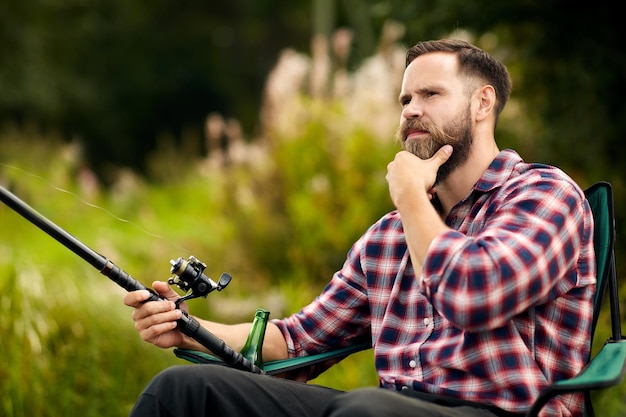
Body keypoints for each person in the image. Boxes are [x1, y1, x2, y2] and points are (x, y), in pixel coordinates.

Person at [124, 39, 596, 417]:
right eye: (405, 99)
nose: (411, 109)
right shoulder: (389, 237)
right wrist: (188, 328)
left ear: (482, 103)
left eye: (430, 95)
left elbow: (474, 295)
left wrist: (411, 195)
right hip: (381, 408)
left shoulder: (544, 195)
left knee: (369, 408)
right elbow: (299, 340)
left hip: (501, 410)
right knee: (182, 391)